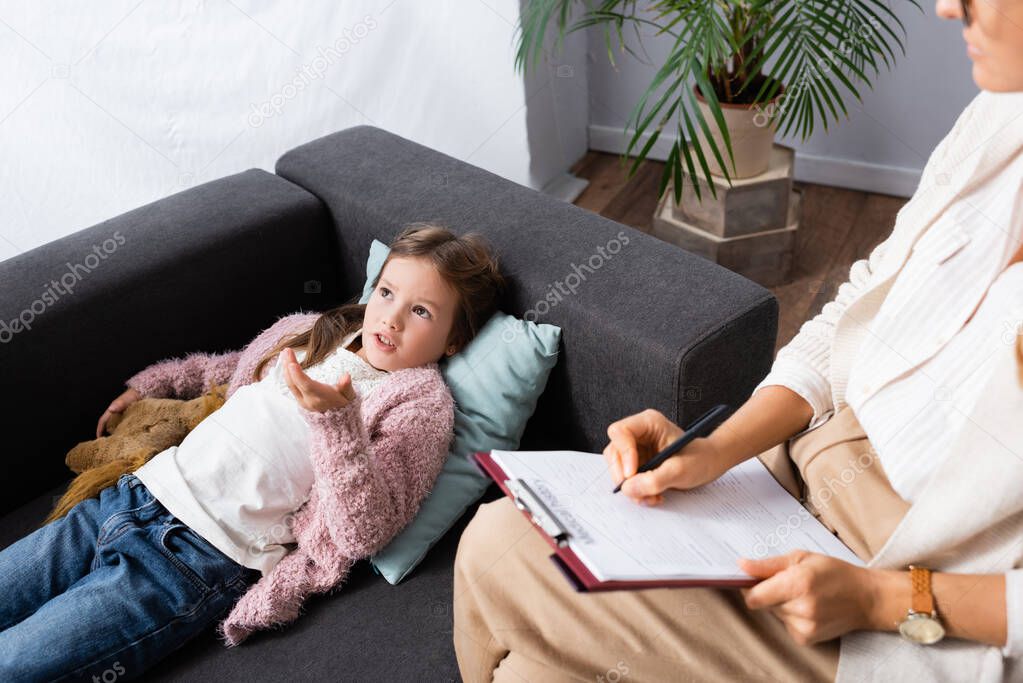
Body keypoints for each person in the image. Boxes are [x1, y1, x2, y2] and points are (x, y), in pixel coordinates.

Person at [453, 1, 1023, 680]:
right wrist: (717, 448)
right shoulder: (1002, 115)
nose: (948, 7)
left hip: (909, 597)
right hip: (794, 481)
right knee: (531, 672)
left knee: (501, 541)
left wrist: (885, 598)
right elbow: (858, 306)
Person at [0, 224, 506, 681]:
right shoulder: (316, 328)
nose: (390, 319)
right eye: (387, 292)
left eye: (421, 311)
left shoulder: (420, 406)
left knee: (16, 663)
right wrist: (154, 384)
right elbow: (228, 367)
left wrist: (337, 423)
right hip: (129, 497)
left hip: (192, 559)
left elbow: (364, 530)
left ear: (454, 340)